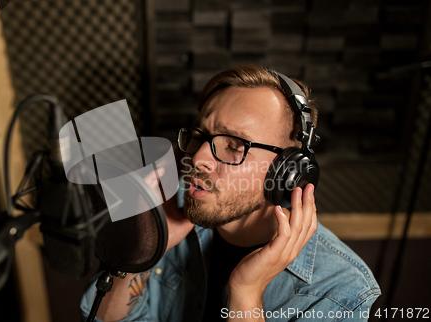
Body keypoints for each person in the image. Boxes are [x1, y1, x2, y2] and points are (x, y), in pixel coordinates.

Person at [81, 65, 381, 321]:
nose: (198, 159)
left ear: (288, 172)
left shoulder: (340, 289)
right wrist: (144, 249)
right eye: (200, 136)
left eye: (235, 144)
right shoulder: (166, 216)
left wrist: (247, 293)